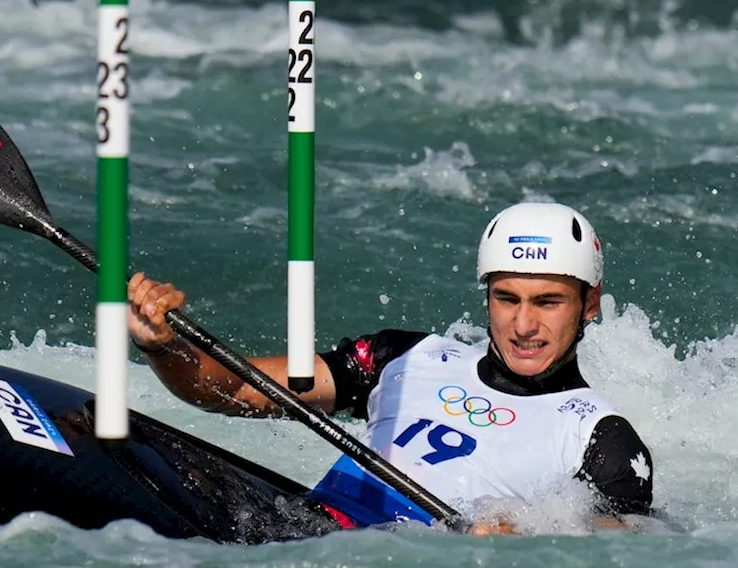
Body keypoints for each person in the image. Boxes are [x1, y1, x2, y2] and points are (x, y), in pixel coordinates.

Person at [127, 202, 653, 534]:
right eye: (506, 297)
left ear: (589, 304)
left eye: (548, 301)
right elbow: (233, 390)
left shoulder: (601, 439)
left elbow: (630, 547)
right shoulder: (404, 359)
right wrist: (162, 347)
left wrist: (529, 534)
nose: (522, 324)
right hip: (290, 531)